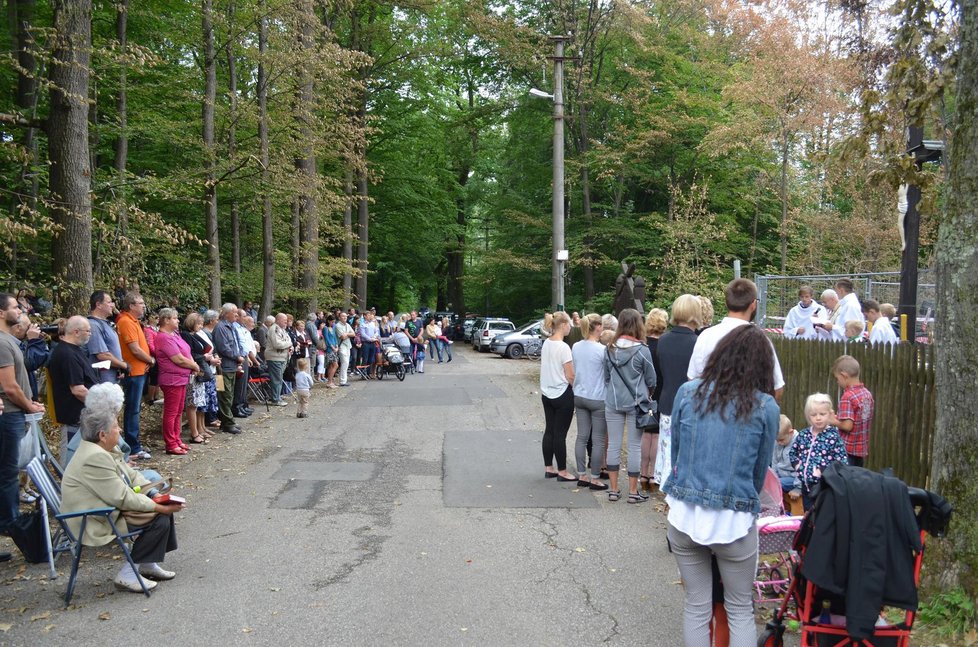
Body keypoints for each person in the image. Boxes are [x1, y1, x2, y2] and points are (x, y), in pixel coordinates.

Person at [662, 324, 780, 647]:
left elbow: (677, 454)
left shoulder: (688, 393)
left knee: (696, 607)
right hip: (734, 520)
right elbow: (760, 470)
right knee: (740, 608)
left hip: (685, 515)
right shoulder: (765, 406)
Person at [61, 404, 182, 593]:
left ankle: (146, 564)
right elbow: (122, 497)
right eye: (116, 426)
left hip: (104, 509)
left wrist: (154, 494)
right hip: (93, 519)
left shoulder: (100, 449)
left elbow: (132, 474)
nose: (120, 430)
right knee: (158, 517)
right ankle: (128, 573)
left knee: (163, 506)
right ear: (102, 434)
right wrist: (157, 507)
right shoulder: (94, 458)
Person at [688, 279, 785, 403]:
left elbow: (692, 380)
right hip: (748, 414)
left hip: (710, 413)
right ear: (753, 304)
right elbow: (777, 389)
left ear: (727, 303)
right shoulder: (761, 341)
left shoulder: (706, 336)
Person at [0, 293, 46, 547]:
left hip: (16, 412)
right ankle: (10, 525)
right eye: (15, 307)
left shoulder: (9, 341)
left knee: (8, 472)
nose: (20, 310)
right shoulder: (2, 343)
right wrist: (28, 404)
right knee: (7, 473)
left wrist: (30, 403)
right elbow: (9, 386)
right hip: (9, 415)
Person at [603, 308, 657, 503]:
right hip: (636, 403)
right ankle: (633, 492)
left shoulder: (609, 348)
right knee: (634, 446)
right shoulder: (643, 351)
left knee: (614, 446)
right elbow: (651, 379)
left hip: (613, 401)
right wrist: (647, 392)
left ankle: (613, 489)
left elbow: (606, 376)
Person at [653, 295, 701, 488]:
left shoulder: (663, 340)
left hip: (666, 401)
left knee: (667, 450)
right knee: (686, 452)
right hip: (691, 405)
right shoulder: (698, 342)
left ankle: (666, 486)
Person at [47, 316, 99, 457]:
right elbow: (78, 390)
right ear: (76, 332)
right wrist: (100, 405)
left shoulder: (74, 350)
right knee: (72, 457)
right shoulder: (67, 353)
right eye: (87, 331)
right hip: (74, 416)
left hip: (82, 416)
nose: (90, 334)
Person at [789, 393, 848, 511]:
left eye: (822, 414)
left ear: (829, 414)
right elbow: (793, 452)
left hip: (824, 486)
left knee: (822, 515)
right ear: (808, 416)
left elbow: (842, 461)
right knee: (808, 514)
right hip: (806, 486)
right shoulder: (803, 434)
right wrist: (798, 466)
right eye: (814, 415)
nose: (818, 418)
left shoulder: (833, 436)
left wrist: (822, 471)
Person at [154, 308, 199, 455]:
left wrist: (192, 364)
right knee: (171, 412)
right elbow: (177, 358)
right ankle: (170, 443)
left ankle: (177, 439)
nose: (178, 320)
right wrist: (193, 365)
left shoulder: (175, 334)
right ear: (166, 320)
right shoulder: (163, 337)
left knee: (179, 410)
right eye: (175, 318)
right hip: (171, 379)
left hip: (182, 378)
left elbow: (187, 352)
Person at [571, 313, 608, 491]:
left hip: (579, 395)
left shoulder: (576, 347)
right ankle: (594, 477)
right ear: (598, 327)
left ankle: (581, 474)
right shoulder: (602, 350)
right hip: (598, 397)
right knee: (598, 439)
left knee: (582, 436)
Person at [117, 292, 155, 459]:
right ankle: (133, 446)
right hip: (133, 372)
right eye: (140, 303)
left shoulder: (134, 321)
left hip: (140, 370)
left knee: (135, 409)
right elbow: (134, 349)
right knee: (132, 409)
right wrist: (151, 360)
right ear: (131, 305)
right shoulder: (125, 321)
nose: (143, 306)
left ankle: (135, 443)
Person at [540, 311, 576, 482]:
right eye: (569, 324)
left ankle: (549, 467)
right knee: (560, 433)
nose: (570, 327)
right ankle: (562, 470)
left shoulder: (546, 343)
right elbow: (570, 375)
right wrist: (575, 386)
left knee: (549, 430)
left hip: (546, 392)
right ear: (563, 325)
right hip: (562, 393)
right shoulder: (563, 347)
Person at [829, 355, 874, 467]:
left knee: (844, 481)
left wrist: (833, 421)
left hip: (846, 451)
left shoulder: (848, 396)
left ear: (844, 376)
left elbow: (848, 426)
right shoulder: (866, 394)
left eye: (837, 378)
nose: (837, 382)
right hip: (860, 450)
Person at [640, 308, 667, 491]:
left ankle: (642, 473)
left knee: (645, 433)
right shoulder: (665, 347)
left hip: (645, 394)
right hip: (661, 393)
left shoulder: (642, 346)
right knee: (656, 434)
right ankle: (652, 475)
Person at [180, 312, 213, 444]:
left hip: (201, 371)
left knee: (199, 402)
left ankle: (199, 429)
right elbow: (190, 354)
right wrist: (205, 357)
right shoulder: (186, 335)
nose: (200, 326)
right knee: (192, 403)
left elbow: (206, 346)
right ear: (192, 323)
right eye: (198, 323)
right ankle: (194, 432)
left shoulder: (194, 335)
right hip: (194, 372)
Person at [213, 303, 244, 434]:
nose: (237, 315)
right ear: (226, 313)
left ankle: (226, 421)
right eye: (234, 312)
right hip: (222, 368)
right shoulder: (221, 328)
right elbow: (223, 348)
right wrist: (237, 357)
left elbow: (236, 344)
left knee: (229, 394)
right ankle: (227, 422)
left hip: (231, 366)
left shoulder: (231, 327)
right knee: (224, 394)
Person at [87, 290, 127, 384]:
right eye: (109, 302)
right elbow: (102, 355)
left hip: (112, 377)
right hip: (102, 381)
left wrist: (119, 367)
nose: (112, 305)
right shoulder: (93, 325)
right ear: (98, 305)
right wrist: (124, 365)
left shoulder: (106, 323)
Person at [264, 313, 291, 405]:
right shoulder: (274, 329)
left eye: (286, 321)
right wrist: (288, 344)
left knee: (279, 378)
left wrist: (288, 343)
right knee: (276, 379)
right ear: (278, 320)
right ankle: (275, 399)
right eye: (284, 321)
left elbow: (289, 340)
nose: (286, 322)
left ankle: (277, 396)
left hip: (281, 357)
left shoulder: (282, 330)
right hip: (275, 357)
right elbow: (277, 344)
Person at [772, 415, 801, 501]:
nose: (779, 443)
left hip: (794, 478)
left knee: (776, 484)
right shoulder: (777, 442)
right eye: (777, 440)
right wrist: (774, 476)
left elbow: (802, 468)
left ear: (791, 433)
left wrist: (799, 487)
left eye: (781, 440)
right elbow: (774, 461)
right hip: (781, 475)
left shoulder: (799, 443)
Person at [334, 312, 354, 386]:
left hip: (348, 345)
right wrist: (348, 334)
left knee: (347, 363)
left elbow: (353, 334)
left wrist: (347, 334)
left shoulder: (348, 325)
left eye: (345, 316)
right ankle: (342, 381)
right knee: (344, 362)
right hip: (342, 345)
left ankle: (344, 380)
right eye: (343, 316)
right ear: (339, 317)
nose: (345, 317)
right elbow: (342, 337)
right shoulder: (338, 326)